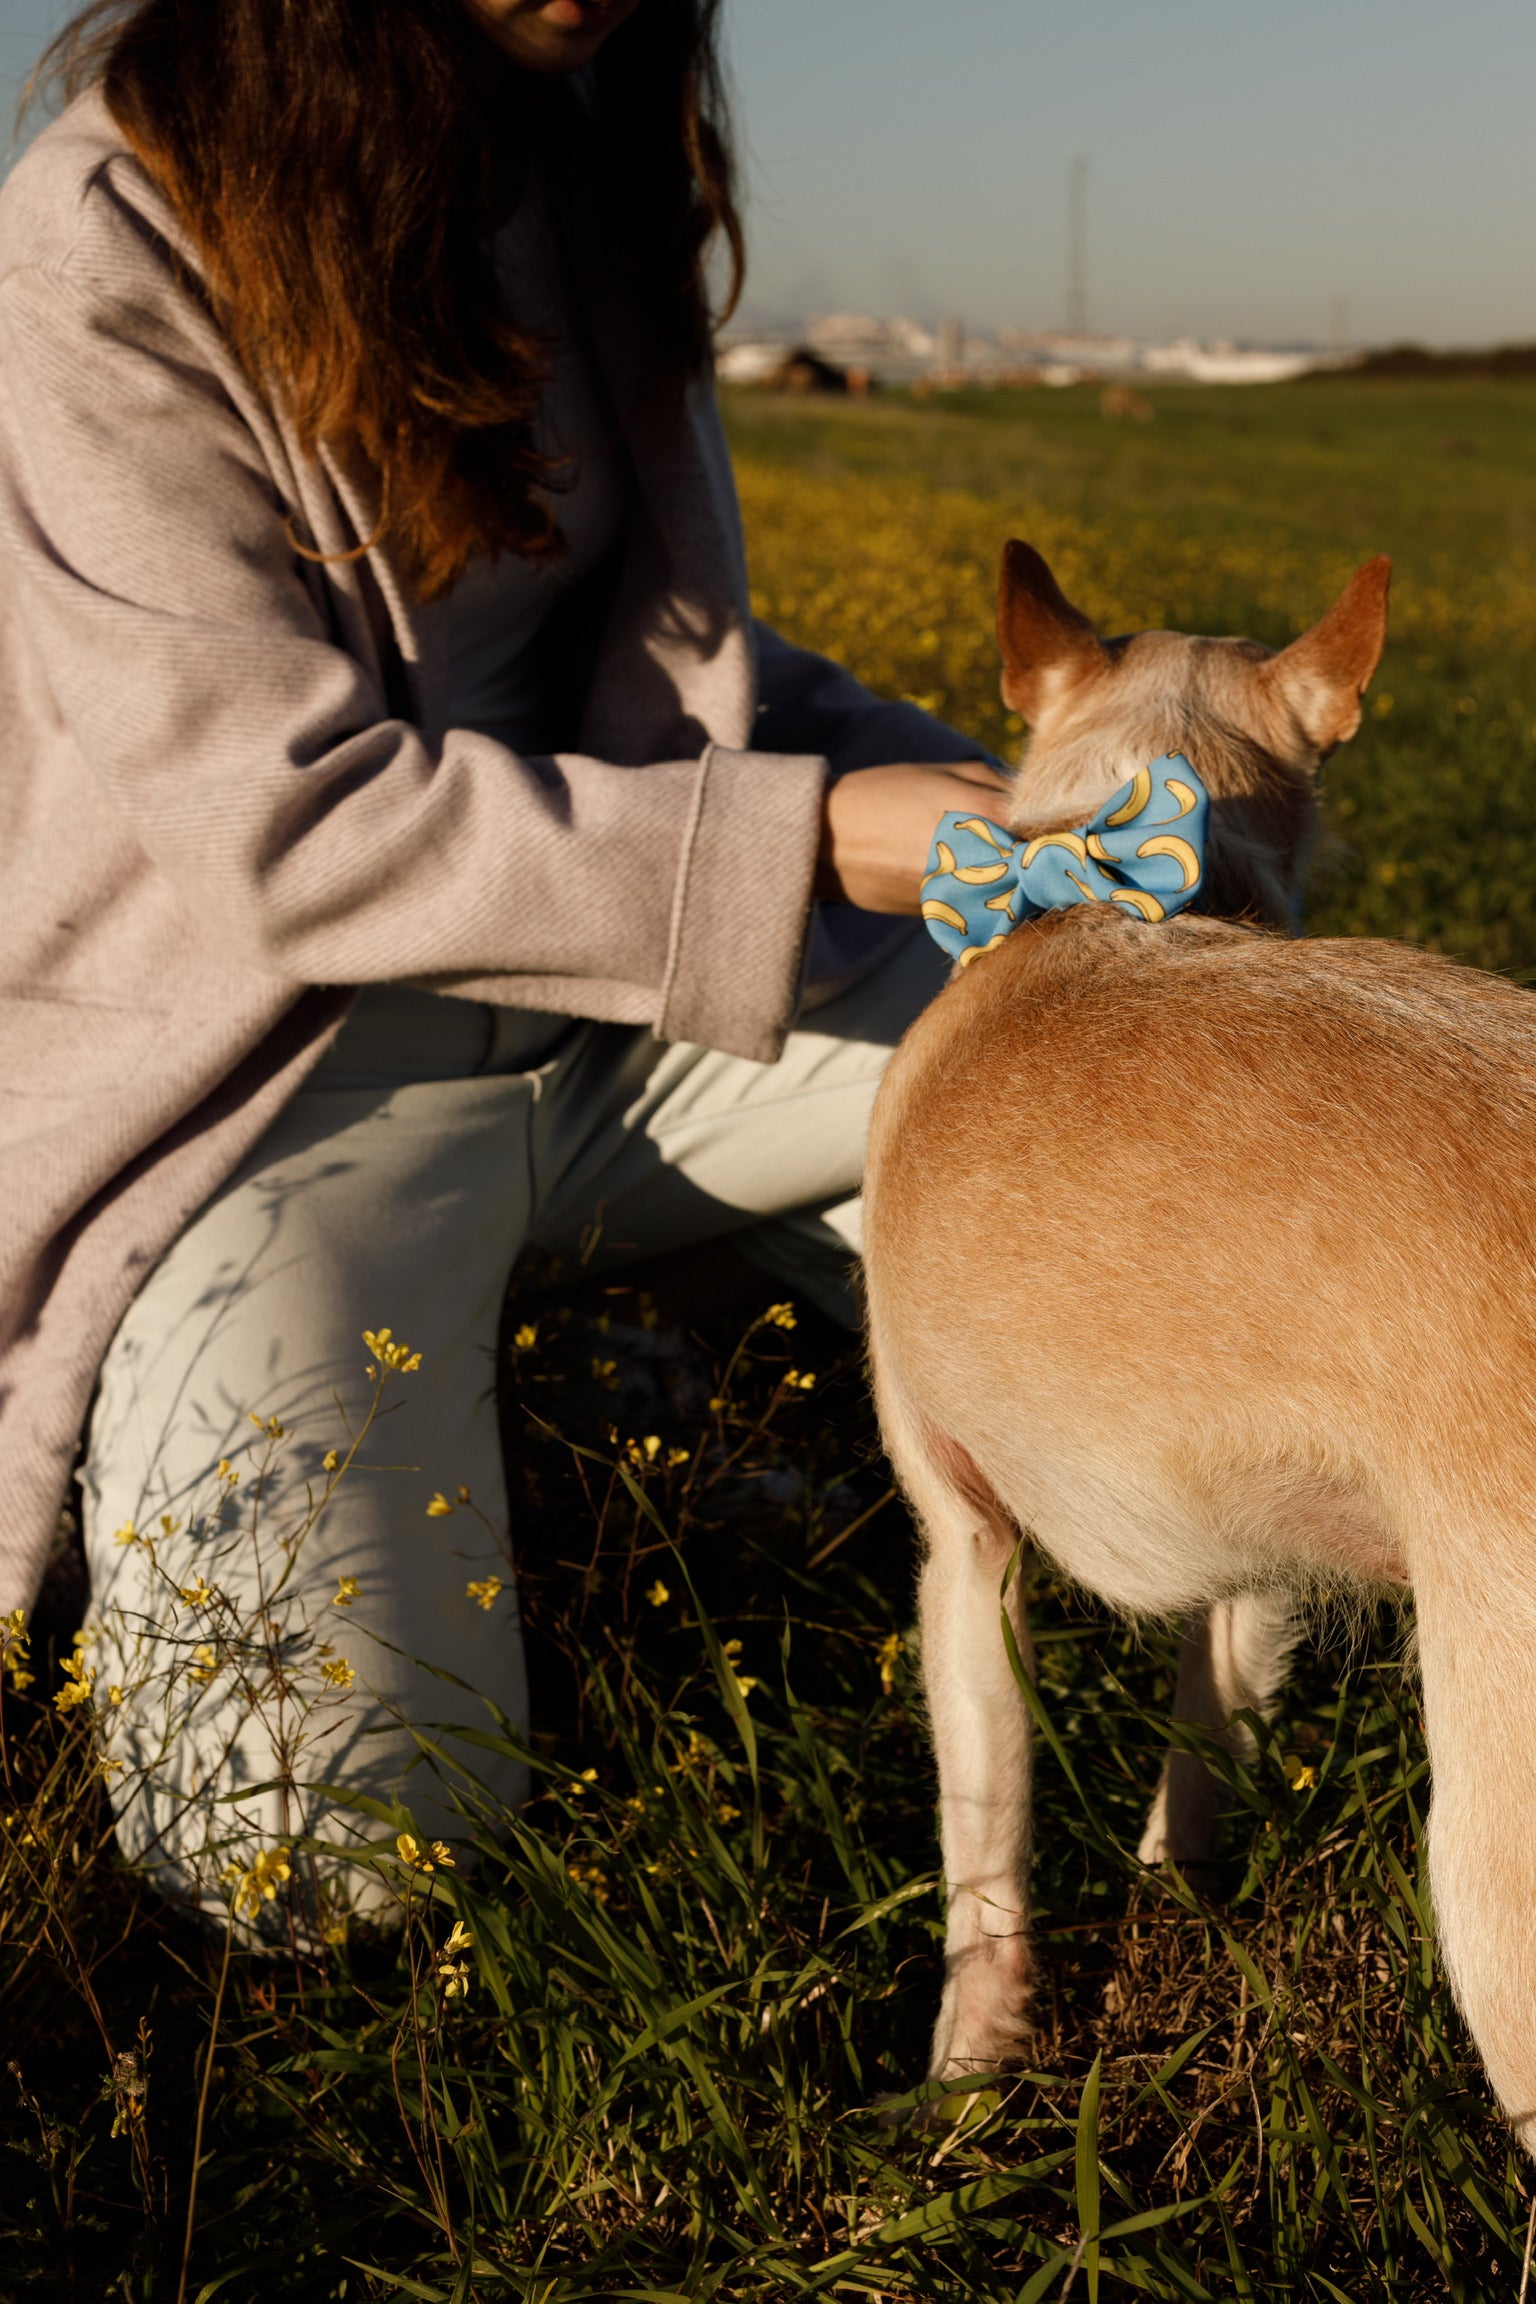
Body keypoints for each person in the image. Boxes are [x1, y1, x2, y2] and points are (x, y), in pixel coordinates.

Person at [0, 0, 1006, 1920]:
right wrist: (819, 839)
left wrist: (960, 796)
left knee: (1138, 1079)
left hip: (623, 1001)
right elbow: (290, 837)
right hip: (272, 1085)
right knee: (317, 1862)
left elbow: (681, 682)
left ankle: (607, 1326)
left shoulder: (575, 153)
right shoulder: (104, 233)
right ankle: (596, 1355)